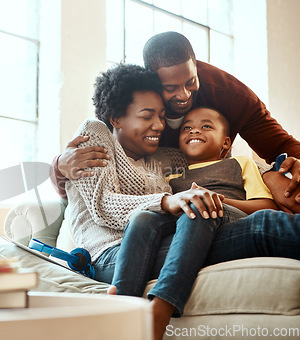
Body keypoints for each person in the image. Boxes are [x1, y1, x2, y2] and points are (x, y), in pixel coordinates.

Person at [66, 63, 237, 340]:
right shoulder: (96, 134)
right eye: (147, 116)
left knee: (213, 219)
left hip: (160, 243)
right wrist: (166, 201)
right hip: (110, 255)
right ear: (116, 118)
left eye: (161, 116)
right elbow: (103, 206)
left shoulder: (166, 158)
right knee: (245, 230)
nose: (158, 125)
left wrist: (277, 172)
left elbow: (218, 159)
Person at [52, 31, 300, 212]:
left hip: (225, 189)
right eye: (170, 87)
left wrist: (270, 174)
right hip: (175, 205)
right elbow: (90, 183)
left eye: (191, 81)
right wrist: (59, 166)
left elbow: (282, 146)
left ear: (196, 68)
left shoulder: (230, 94)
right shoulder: (131, 105)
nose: (183, 94)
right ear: (151, 81)